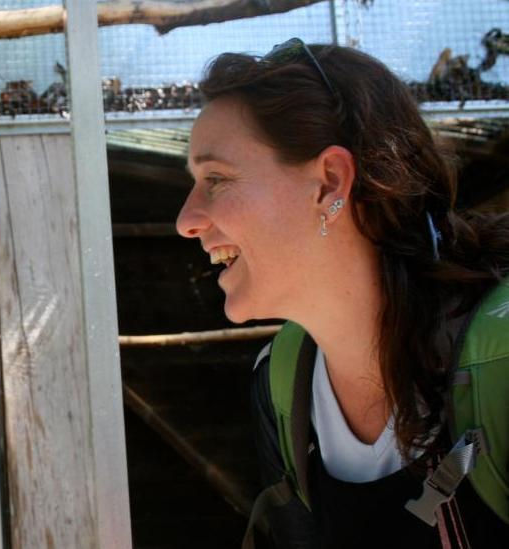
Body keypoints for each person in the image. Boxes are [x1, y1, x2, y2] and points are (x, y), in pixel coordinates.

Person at [175, 38, 509, 548]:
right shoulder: (284, 385)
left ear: (330, 183)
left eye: (215, 179)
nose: (186, 221)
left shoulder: (501, 361)